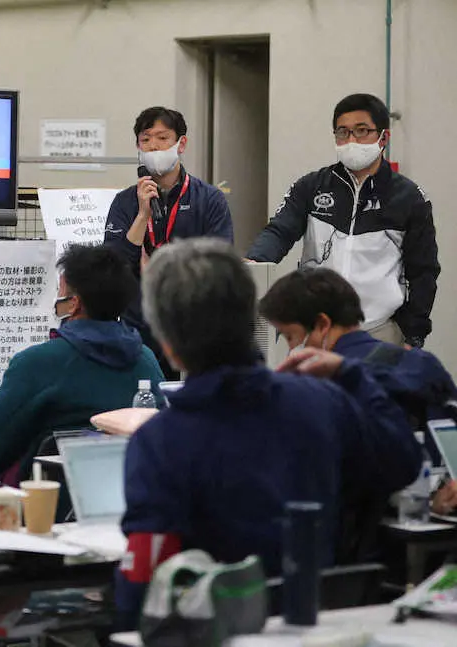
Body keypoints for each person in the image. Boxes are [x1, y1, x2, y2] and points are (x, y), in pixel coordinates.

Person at [115, 239, 420, 630]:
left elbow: (144, 582)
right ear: (250, 319)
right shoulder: (324, 401)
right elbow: (404, 464)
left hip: (219, 630)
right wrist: (351, 373)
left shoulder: (159, 442)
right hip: (316, 625)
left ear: (168, 346)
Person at [259, 266, 457, 518]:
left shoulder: (327, 385)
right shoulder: (423, 364)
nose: (290, 347)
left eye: (289, 336)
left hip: (365, 535)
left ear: (322, 324)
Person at [246, 93, 439, 348]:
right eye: (343, 132)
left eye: (362, 131)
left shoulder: (410, 198)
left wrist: (414, 336)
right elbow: (280, 230)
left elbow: (423, 272)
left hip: (378, 331)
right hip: (315, 330)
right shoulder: (311, 187)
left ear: (383, 138)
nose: (351, 140)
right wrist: (256, 260)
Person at [0, 244, 163, 483]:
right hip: (130, 500)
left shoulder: (35, 364)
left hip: (45, 506)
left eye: (60, 289)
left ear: (74, 303)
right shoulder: (146, 360)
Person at [103, 106, 233, 375]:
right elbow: (112, 269)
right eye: (146, 139)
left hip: (191, 329)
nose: (153, 147)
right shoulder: (124, 202)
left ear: (180, 143)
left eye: (162, 139)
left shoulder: (208, 199)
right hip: (137, 330)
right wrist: (142, 216)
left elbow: (220, 264)